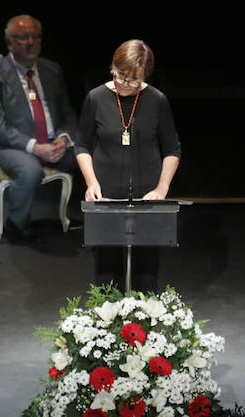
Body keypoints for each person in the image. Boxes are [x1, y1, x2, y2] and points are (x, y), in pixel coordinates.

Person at [75, 39, 181, 293]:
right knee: (107, 273)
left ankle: (144, 329)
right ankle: (107, 327)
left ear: (146, 75)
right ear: (113, 66)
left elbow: (172, 149)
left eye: (134, 79)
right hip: (106, 195)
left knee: (146, 274)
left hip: (147, 197)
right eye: (121, 74)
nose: (125, 83)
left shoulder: (156, 100)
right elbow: (81, 146)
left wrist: (162, 188)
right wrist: (92, 182)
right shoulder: (96, 98)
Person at [0, 15, 79, 241]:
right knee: (30, 171)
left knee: (96, 156)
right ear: (10, 43)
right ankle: (16, 226)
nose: (30, 42)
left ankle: (107, 221)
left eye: (35, 37)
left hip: (53, 144)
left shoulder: (52, 70)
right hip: (11, 145)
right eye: (23, 38)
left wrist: (63, 139)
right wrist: (35, 147)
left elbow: (68, 114)